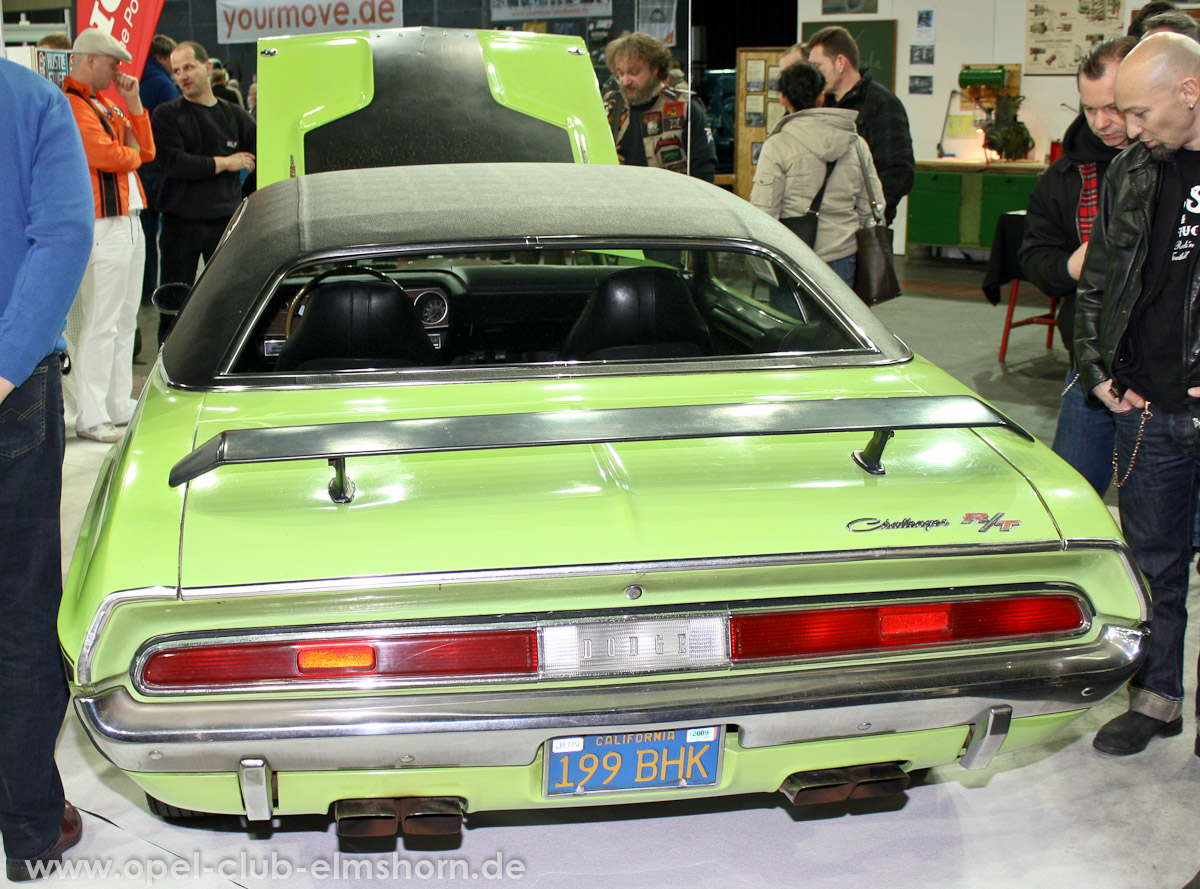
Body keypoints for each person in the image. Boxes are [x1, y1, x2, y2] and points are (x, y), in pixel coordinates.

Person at [1075, 31, 1200, 757]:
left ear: (1188, 91)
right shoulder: (1134, 169)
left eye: (1141, 112)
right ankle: (1156, 701)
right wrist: (1095, 367)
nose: (1131, 128)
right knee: (1153, 563)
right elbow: (1099, 281)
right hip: (1148, 409)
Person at [0, 56, 94, 882]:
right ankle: (28, 828)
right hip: (13, 389)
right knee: (23, 612)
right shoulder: (33, 100)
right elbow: (63, 233)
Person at [1019, 36, 1136, 496]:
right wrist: (1075, 264)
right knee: (1072, 494)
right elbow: (1034, 256)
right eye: (1089, 109)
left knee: (1168, 511)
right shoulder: (1066, 176)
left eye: (1114, 107)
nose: (1101, 122)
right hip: (1088, 364)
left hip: (1164, 377)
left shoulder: (1177, 164)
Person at [64, 29, 156, 443]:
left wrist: (134, 103)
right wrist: (130, 154)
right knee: (102, 322)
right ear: (92, 60)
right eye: (113, 63)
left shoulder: (104, 104)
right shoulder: (73, 103)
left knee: (123, 318)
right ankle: (91, 413)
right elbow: (105, 155)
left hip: (128, 218)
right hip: (103, 222)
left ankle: (117, 403)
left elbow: (146, 151)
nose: (118, 71)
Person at [151, 40, 256, 342]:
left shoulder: (236, 117)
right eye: (176, 71)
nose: (182, 75)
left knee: (226, 300)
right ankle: (166, 363)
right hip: (179, 224)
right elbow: (176, 163)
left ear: (207, 67)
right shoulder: (166, 115)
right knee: (174, 305)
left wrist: (242, 200)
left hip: (223, 224)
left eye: (189, 67)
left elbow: (258, 160)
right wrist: (225, 163)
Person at [750, 62, 883, 287]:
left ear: (783, 98)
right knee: (837, 322)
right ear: (821, 97)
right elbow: (873, 205)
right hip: (843, 255)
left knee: (792, 322)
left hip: (793, 258)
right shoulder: (856, 144)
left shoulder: (778, 145)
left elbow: (765, 211)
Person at [805, 26, 914, 225]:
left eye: (817, 66)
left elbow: (899, 171)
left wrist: (869, 217)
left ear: (840, 62)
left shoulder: (882, 103)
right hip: (823, 229)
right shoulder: (821, 105)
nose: (814, 74)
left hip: (863, 231)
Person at [602, 31, 716, 182]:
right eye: (620, 74)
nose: (625, 81)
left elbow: (704, 172)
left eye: (634, 72)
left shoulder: (686, 108)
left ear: (655, 69)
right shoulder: (609, 107)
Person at [137, 34, 180, 309]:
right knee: (153, 235)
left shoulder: (136, 80)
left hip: (135, 168)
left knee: (142, 235)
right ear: (164, 58)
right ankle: (149, 290)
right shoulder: (164, 85)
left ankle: (142, 289)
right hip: (154, 169)